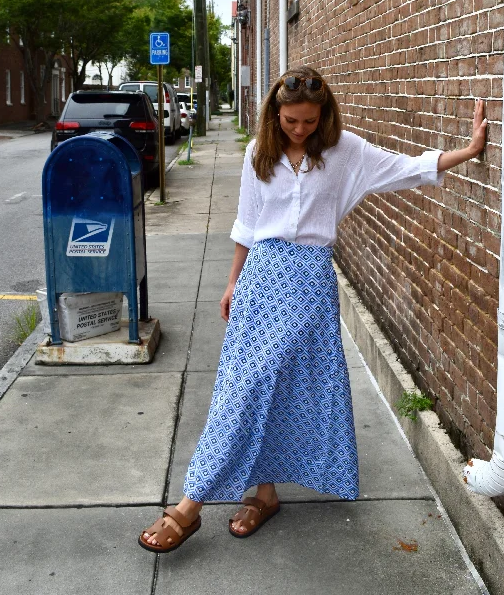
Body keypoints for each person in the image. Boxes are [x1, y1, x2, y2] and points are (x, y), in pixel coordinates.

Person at [138, 65, 487, 553]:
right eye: (289, 121)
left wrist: (466, 152)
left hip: (308, 281)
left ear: (322, 116)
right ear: (274, 114)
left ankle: (189, 505)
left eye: (307, 122)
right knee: (250, 385)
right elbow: (246, 221)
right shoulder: (260, 152)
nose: (299, 130)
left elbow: (403, 167)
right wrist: (232, 282)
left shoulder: (345, 152)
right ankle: (264, 494)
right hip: (260, 278)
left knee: (261, 384)